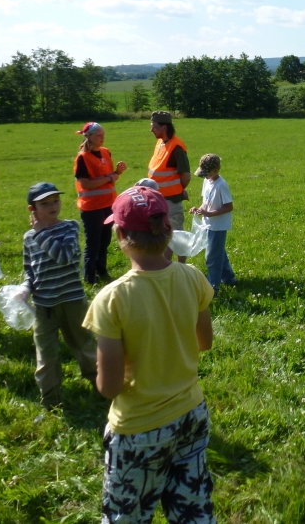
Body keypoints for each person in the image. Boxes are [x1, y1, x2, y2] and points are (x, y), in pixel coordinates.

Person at [83, 186, 215, 523]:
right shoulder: (193, 277)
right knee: (194, 512)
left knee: (126, 517)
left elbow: (109, 387)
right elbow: (204, 342)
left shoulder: (112, 299)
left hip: (138, 429)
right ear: (169, 230)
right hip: (191, 414)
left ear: (120, 236)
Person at [23, 182, 97, 409]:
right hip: (43, 305)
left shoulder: (69, 227)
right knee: (46, 354)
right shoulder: (29, 237)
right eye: (45, 203)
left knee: (84, 345)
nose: (53, 206)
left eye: (55, 201)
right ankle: (51, 399)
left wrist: (41, 233)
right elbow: (29, 269)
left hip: (72, 300)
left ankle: (101, 384)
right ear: (32, 209)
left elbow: (64, 257)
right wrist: (25, 288)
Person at [74, 122, 127, 284]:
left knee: (105, 241)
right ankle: (90, 277)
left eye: (103, 135)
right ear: (89, 137)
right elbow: (85, 184)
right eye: (98, 135)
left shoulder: (106, 152)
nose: (102, 138)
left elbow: (109, 176)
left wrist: (117, 172)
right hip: (91, 207)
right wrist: (110, 178)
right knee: (93, 243)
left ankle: (102, 272)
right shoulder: (82, 158)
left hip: (108, 205)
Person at [148, 110, 191, 262]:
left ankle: (181, 268)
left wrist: (179, 190)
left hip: (171, 201)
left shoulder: (177, 147)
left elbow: (186, 176)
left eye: (154, 126)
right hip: (159, 199)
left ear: (164, 127)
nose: (151, 130)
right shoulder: (160, 142)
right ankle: (167, 267)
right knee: (165, 235)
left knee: (177, 235)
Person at [190, 153, 236, 291]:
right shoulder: (207, 181)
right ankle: (229, 278)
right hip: (208, 223)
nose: (205, 176)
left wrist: (210, 213)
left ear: (216, 170)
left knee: (212, 257)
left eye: (207, 173)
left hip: (218, 226)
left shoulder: (221, 185)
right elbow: (206, 201)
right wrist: (199, 209)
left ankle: (213, 286)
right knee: (218, 252)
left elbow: (229, 207)